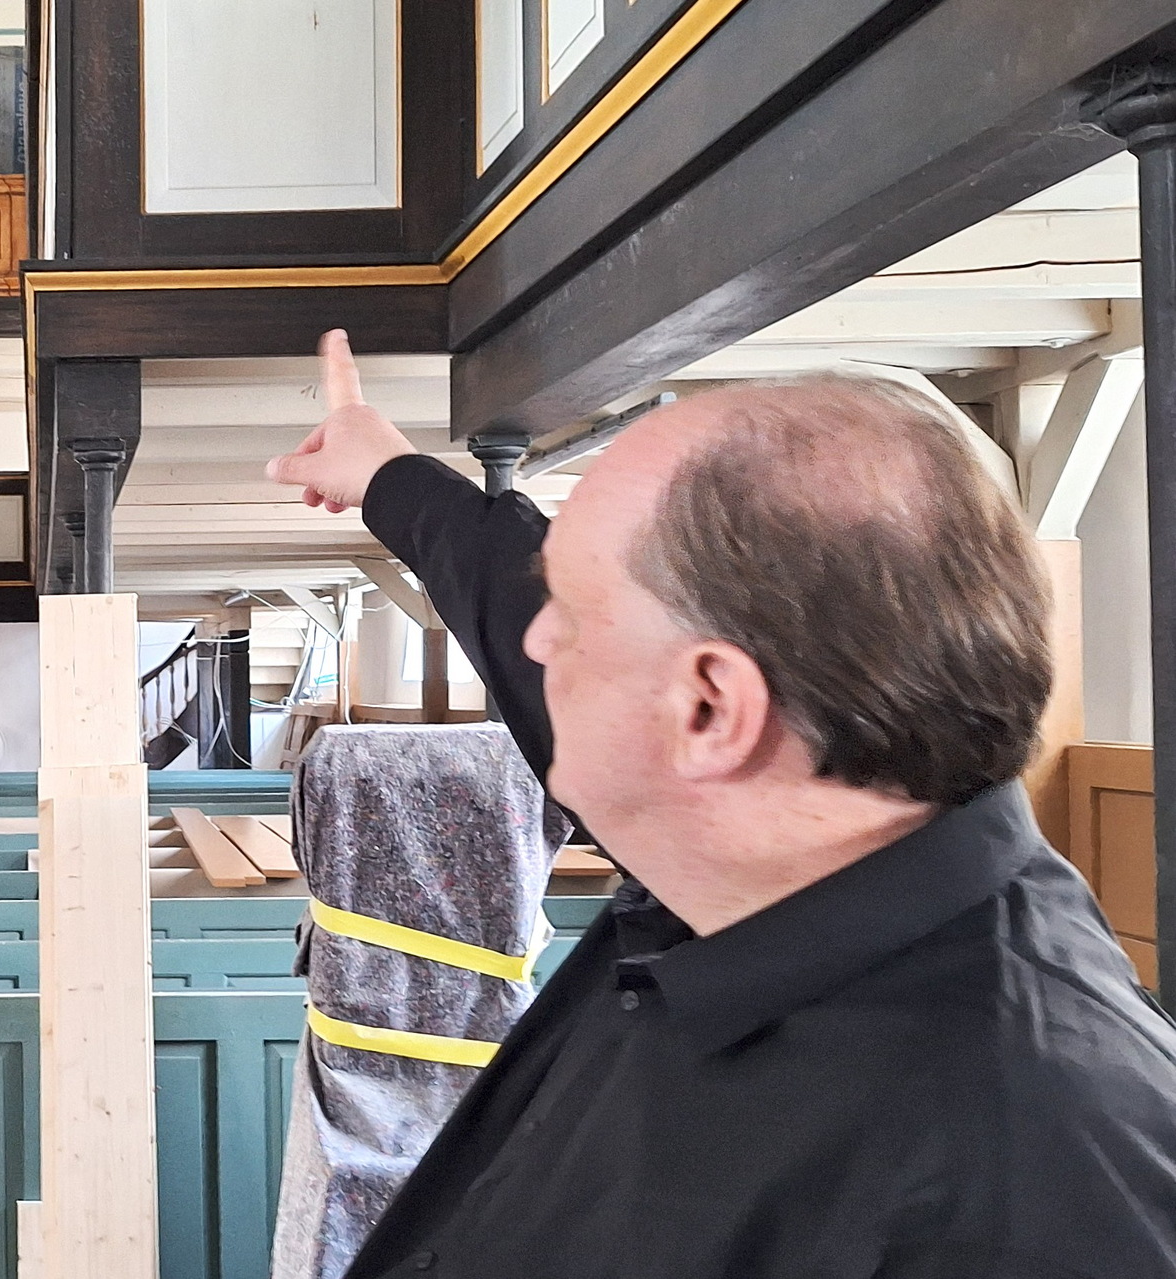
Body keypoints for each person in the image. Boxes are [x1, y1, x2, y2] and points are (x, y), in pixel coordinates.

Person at [266, 330, 1176, 1278]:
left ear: (709, 709)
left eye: (572, 610)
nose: (538, 643)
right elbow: (513, 601)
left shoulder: (1031, 1187)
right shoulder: (767, 825)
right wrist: (391, 478)